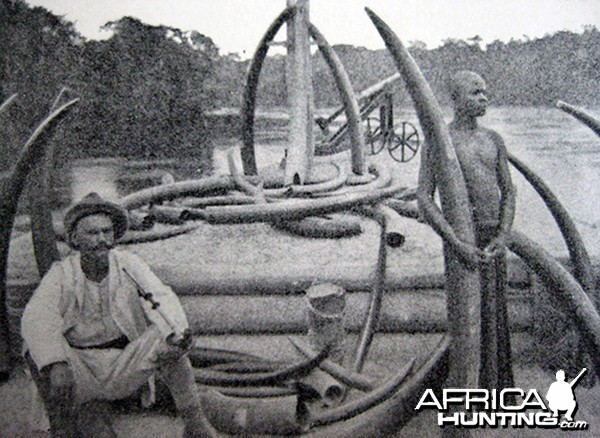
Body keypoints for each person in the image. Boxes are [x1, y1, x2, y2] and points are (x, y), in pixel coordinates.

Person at [21, 192, 217, 437]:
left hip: (123, 363)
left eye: (106, 232)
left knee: (168, 338)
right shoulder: (62, 274)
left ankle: (195, 423)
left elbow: (160, 297)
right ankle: (63, 430)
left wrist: (175, 333)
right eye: (92, 233)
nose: (101, 240)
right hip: (80, 369)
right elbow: (38, 315)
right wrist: (56, 362)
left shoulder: (129, 264)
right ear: (75, 239)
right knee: (36, 349)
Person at [418, 71, 516, 391]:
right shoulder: (439, 142)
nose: (484, 98)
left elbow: (509, 192)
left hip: (492, 241)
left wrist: (503, 236)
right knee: (465, 316)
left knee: (495, 316)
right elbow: (424, 199)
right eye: (475, 93)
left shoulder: (494, 140)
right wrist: (457, 243)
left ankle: (497, 390)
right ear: (456, 100)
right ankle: (465, 390)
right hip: (461, 241)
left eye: (485, 92)